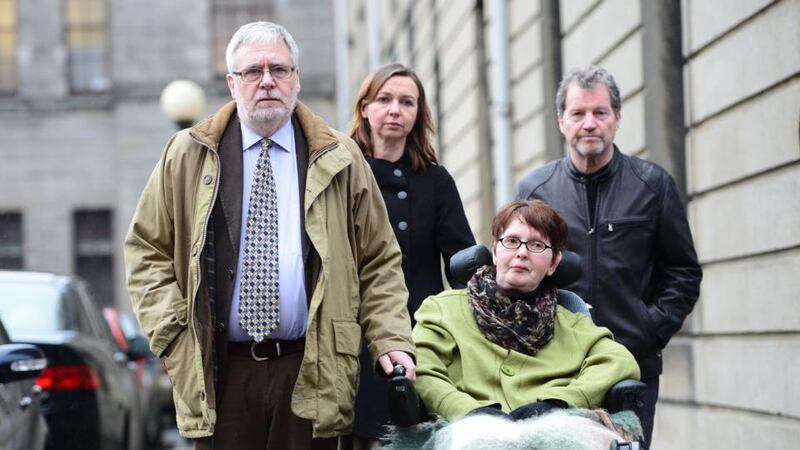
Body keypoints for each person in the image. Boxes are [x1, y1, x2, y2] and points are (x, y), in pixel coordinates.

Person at [124, 21, 416, 450]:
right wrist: (173, 333)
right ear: (232, 83)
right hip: (220, 372)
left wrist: (390, 338)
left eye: (278, 69)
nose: (266, 81)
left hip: (311, 368)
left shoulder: (340, 157)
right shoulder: (187, 154)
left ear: (296, 78)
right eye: (252, 71)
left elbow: (379, 259)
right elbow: (146, 250)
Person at [516, 64, 703, 448]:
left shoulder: (653, 186)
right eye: (578, 113)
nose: (589, 123)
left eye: (600, 112)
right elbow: (516, 272)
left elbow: (683, 272)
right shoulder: (535, 191)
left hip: (631, 368)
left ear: (617, 118)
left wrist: (649, 329)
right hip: (555, 372)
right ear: (561, 121)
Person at [413, 199, 640, 422]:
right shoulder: (442, 310)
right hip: (464, 433)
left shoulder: (571, 322)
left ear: (553, 263)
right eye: (512, 241)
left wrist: (558, 403)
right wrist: (469, 412)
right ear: (495, 251)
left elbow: (619, 361)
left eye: (537, 245)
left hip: (553, 434)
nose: (522, 252)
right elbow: (421, 368)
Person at [347, 63, 475, 447]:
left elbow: (463, 264)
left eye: (407, 102)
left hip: (421, 335)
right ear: (365, 108)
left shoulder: (435, 181)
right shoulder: (344, 176)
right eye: (384, 100)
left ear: (418, 113)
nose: (395, 110)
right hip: (355, 336)